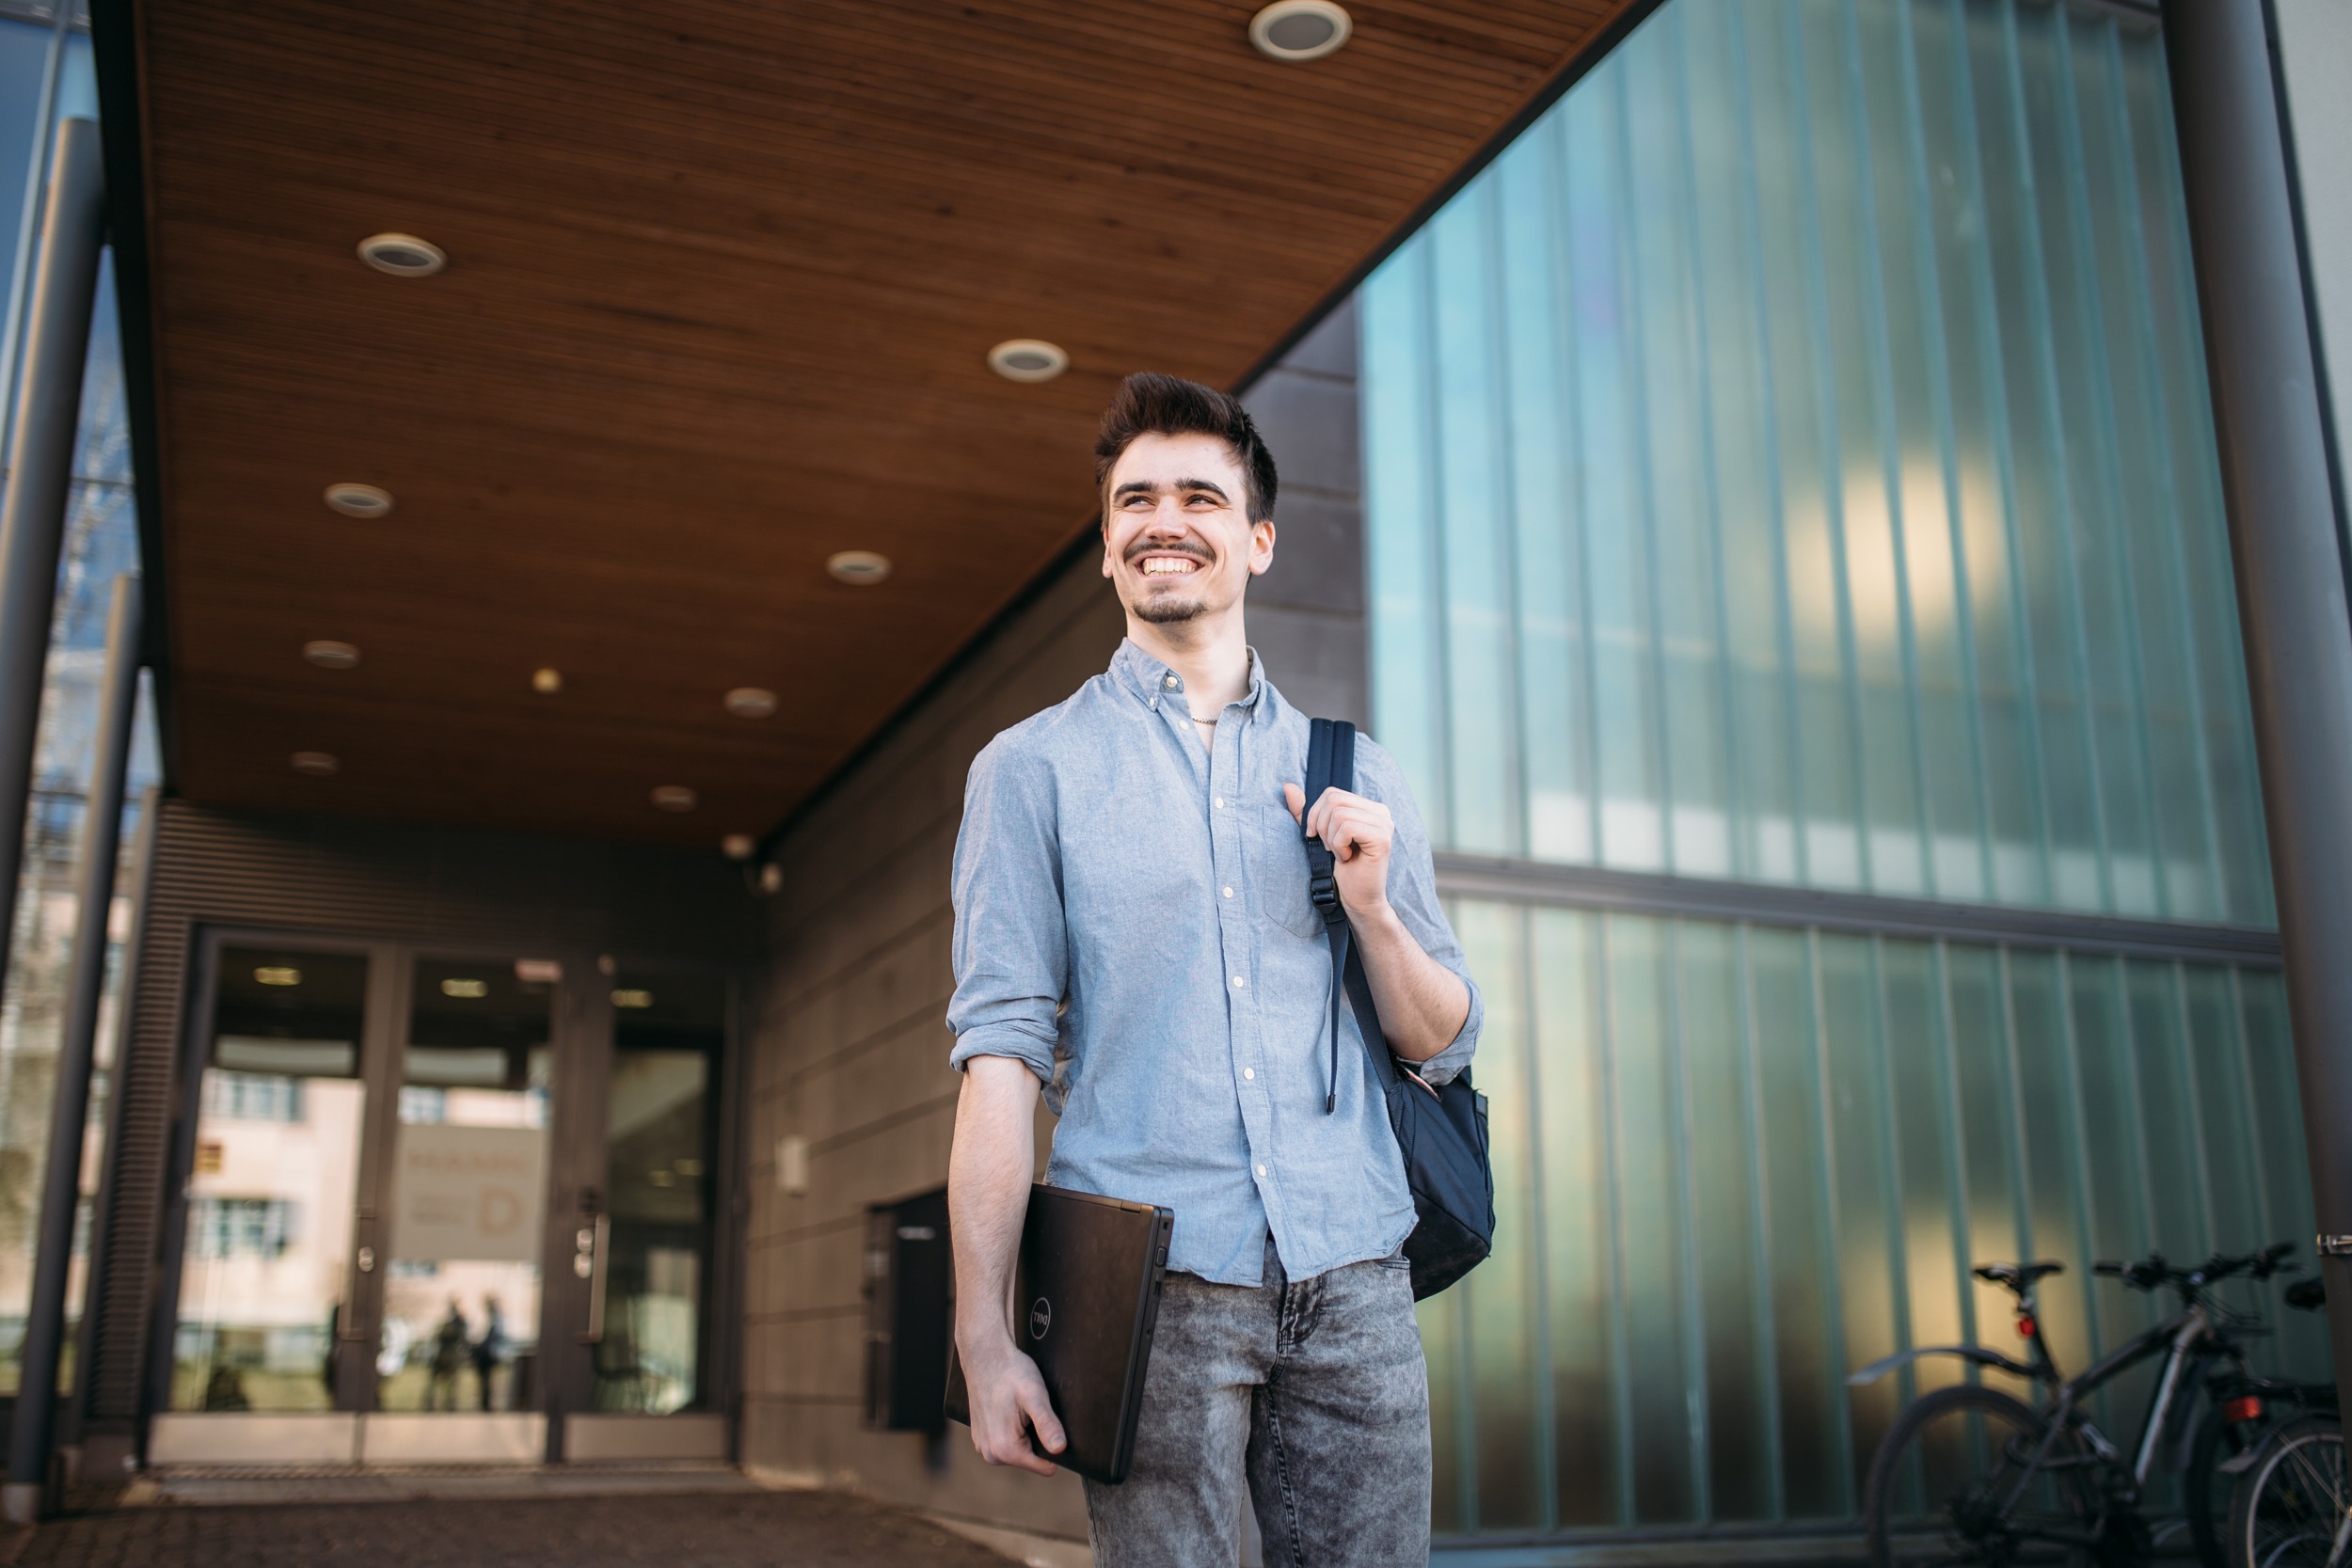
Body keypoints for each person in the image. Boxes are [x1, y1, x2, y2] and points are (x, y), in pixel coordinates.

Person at [946, 373, 1481, 1568]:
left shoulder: (1358, 772)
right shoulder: (1030, 769)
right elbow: (997, 1064)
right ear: (1104, 546)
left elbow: (1440, 1042)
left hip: (1354, 1278)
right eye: (1134, 499)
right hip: (1154, 1290)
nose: (1163, 518)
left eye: (1199, 494)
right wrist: (984, 1339)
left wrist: (1377, 915)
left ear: (1258, 538)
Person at [427, 1299, 469, 1412]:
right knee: (438, 1382)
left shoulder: (459, 1322)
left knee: (452, 1383)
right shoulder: (448, 1322)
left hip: (452, 1357)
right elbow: (438, 1337)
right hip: (443, 1356)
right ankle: (432, 1403)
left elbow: (462, 1338)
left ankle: (450, 1404)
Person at [472, 1294, 511, 1412]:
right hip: (487, 1352)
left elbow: (493, 1337)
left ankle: (487, 1403)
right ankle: (485, 1403)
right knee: (486, 1380)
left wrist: (481, 1347)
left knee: (488, 1379)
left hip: (489, 1353)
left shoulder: (496, 1318)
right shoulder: (493, 1318)